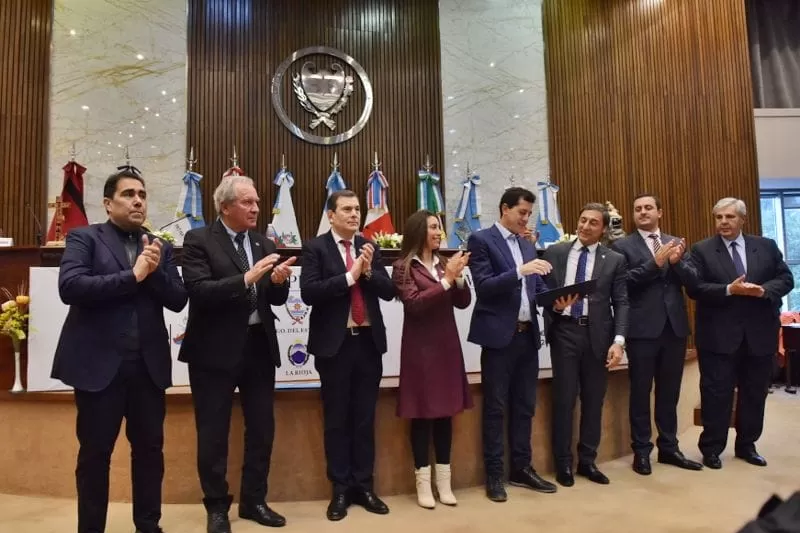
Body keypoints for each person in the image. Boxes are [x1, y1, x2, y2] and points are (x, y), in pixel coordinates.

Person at [52, 169, 188, 533]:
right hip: (100, 370)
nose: (138, 200)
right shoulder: (85, 238)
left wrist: (155, 269)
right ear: (109, 203)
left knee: (149, 454)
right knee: (95, 456)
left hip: (147, 369)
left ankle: (148, 525)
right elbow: (71, 286)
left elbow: (177, 300)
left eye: (142, 194)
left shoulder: (160, 245)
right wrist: (134, 276)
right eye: (129, 194)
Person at [179, 175, 296, 533]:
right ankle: (216, 507)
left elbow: (273, 299)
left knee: (262, 429)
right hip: (213, 351)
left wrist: (278, 283)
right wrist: (248, 278)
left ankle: (253, 501)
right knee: (213, 433)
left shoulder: (262, 242)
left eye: (257, 202)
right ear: (225, 205)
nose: (256, 208)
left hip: (259, 346)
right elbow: (199, 292)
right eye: (248, 202)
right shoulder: (198, 239)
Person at [299, 190, 396, 521]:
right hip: (334, 346)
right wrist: (349, 277)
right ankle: (339, 489)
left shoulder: (370, 246)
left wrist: (367, 271)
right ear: (331, 215)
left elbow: (388, 290)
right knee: (337, 419)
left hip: (367, 343)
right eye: (347, 209)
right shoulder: (315, 248)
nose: (355, 215)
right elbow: (310, 292)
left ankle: (364, 486)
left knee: (365, 418)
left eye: (357, 209)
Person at [684, 197, 793, 469]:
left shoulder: (765, 246)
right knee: (716, 394)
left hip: (759, 335)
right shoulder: (702, 250)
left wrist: (765, 291)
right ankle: (711, 448)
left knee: (754, 394)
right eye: (719, 217)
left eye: (729, 217)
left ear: (742, 219)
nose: (723, 222)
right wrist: (729, 290)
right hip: (718, 337)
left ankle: (747, 445)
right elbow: (695, 288)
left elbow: (786, 278)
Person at [466, 187, 557, 503]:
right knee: (496, 407)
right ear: (505, 209)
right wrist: (519, 271)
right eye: (522, 212)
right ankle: (494, 474)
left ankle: (522, 467)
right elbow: (485, 287)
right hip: (498, 339)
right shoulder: (481, 240)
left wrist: (557, 301)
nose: (526, 219)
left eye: (529, 214)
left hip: (528, 336)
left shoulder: (527, 244)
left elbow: (538, 286)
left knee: (524, 406)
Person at [611, 194, 703, 475]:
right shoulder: (621, 246)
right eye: (637, 209)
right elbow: (623, 283)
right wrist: (655, 263)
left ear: (659, 212)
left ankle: (669, 448)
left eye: (648, 208)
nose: (642, 212)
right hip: (641, 330)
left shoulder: (676, 242)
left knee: (669, 393)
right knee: (640, 392)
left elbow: (693, 282)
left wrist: (675, 262)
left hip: (674, 328)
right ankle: (641, 451)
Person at [542, 202, 629, 487]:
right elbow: (542, 294)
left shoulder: (613, 259)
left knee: (593, 401)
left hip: (598, 338)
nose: (585, 226)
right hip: (564, 333)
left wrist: (618, 341)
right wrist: (555, 307)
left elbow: (622, 302)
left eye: (593, 222)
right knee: (564, 401)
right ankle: (563, 464)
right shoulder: (555, 252)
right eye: (582, 220)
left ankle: (588, 462)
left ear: (603, 229)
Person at [392, 210, 472, 509]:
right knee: (423, 416)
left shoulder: (443, 264)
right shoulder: (403, 266)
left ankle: (445, 483)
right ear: (418, 231)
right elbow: (413, 305)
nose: (439, 232)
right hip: (420, 352)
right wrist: (448, 281)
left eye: (440, 227)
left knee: (444, 416)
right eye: (433, 227)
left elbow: (463, 303)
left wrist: (459, 278)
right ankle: (423, 484)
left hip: (447, 349)